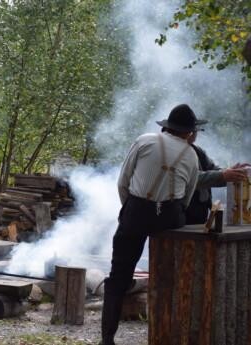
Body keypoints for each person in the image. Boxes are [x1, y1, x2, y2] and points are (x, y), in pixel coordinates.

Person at [101, 104, 201, 345]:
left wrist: (133, 210)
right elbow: (186, 197)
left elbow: (123, 182)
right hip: (170, 217)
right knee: (169, 277)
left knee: (118, 278)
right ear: (188, 133)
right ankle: (168, 336)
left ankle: (107, 340)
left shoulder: (145, 140)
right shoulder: (191, 155)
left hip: (136, 210)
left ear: (166, 126)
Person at [185, 129, 249, 224]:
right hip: (181, 211)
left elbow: (213, 169)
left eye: (194, 131)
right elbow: (191, 179)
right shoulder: (173, 154)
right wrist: (223, 175)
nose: (194, 135)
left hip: (199, 211)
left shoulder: (197, 151)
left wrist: (230, 172)